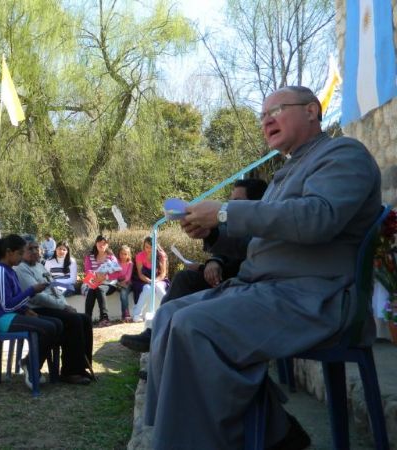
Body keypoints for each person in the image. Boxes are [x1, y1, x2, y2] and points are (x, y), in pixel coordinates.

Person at [141, 86, 382, 449]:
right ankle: (274, 430)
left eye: (277, 110)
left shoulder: (343, 154)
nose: (266, 119)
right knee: (168, 316)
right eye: (263, 115)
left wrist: (225, 210)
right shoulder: (287, 173)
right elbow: (259, 244)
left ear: (312, 112)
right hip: (266, 291)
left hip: (318, 295)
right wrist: (214, 231)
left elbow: (318, 219)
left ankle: (242, 435)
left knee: (194, 327)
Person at [121, 178, 268, 351]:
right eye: (229, 203)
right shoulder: (235, 227)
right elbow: (232, 247)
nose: (230, 208)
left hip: (245, 289)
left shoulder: (265, 228)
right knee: (185, 279)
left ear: (256, 204)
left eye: (237, 203)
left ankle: (159, 345)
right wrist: (210, 261)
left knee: (184, 312)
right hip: (225, 281)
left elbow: (244, 248)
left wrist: (215, 260)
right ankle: (157, 343)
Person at [0, 234, 62, 390]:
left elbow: (14, 298)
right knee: (49, 328)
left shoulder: (9, 270)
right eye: (20, 253)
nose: (21, 257)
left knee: (57, 323)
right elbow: (6, 306)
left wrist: (26, 310)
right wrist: (31, 291)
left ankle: (31, 364)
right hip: (3, 319)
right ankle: (31, 366)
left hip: (14, 315)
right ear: (8, 252)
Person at [14, 240, 93, 385]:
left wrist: (65, 304)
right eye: (29, 249)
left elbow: (54, 289)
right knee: (74, 320)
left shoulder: (39, 266)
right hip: (35, 309)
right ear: (21, 252)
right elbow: (37, 296)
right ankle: (70, 372)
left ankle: (82, 367)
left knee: (85, 319)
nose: (34, 251)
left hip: (52, 307)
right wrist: (62, 307)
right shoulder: (21, 269)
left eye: (36, 248)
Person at [82, 235, 121, 327]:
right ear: (96, 243)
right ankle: (87, 319)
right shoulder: (89, 257)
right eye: (100, 242)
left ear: (107, 245)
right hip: (94, 282)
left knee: (99, 289)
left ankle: (104, 318)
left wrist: (105, 277)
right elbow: (87, 271)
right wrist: (96, 275)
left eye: (104, 243)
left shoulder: (111, 257)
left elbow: (118, 273)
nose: (102, 245)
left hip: (109, 284)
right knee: (92, 289)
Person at [130, 237, 169, 323]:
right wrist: (149, 281)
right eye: (147, 247)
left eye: (151, 247)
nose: (149, 249)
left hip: (159, 279)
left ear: (156, 246)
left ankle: (168, 310)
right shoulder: (140, 256)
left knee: (158, 287)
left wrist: (155, 281)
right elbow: (140, 274)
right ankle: (137, 314)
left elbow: (163, 273)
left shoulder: (161, 255)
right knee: (147, 289)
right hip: (143, 279)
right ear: (144, 246)